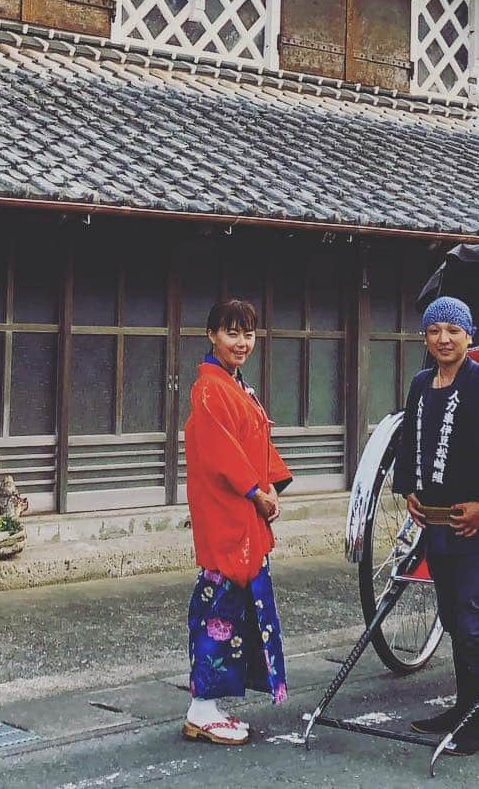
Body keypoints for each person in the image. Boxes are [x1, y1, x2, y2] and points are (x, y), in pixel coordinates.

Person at [392, 295, 479, 757]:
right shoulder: (420, 384)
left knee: (475, 623)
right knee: (453, 619)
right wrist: (410, 489)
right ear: (425, 337)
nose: (444, 339)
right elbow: (410, 440)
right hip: (437, 526)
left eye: (453, 330)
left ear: (470, 335)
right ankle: (463, 709)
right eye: (434, 331)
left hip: (475, 527)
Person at [182, 298, 293, 746]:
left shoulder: (234, 384)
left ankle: (209, 706)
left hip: (245, 512)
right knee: (217, 611)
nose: (242, 342)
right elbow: (221, 452)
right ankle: (201, 708)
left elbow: (255, 443)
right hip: (227, 514)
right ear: (211, 335)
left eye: (248, 333)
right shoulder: (208, 389)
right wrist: (255, 491)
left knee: (233, 610)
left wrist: (270, 489)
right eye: (232, 332)